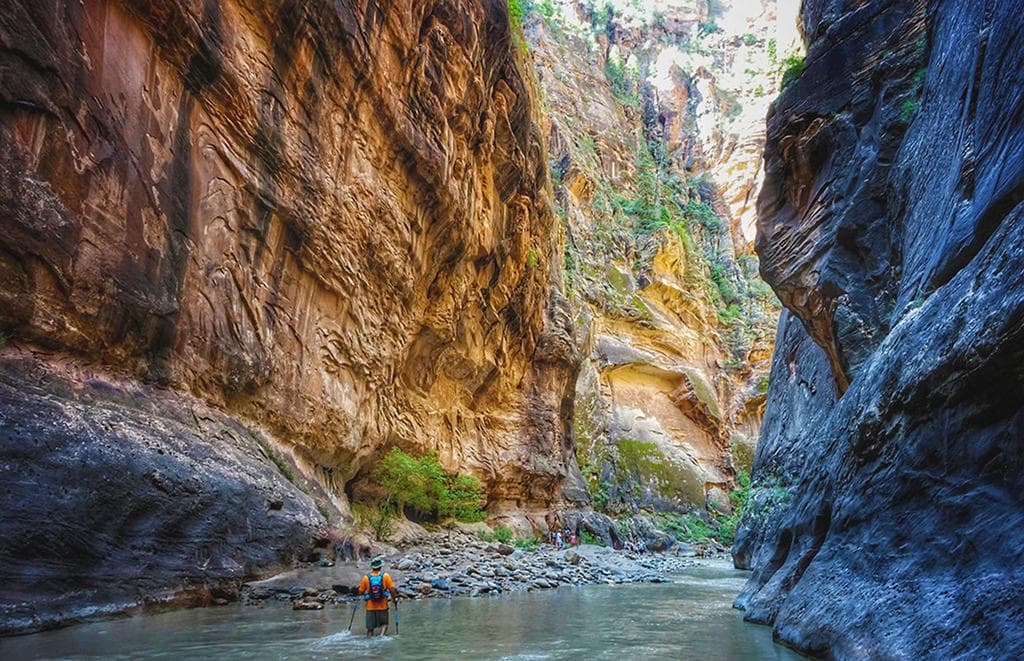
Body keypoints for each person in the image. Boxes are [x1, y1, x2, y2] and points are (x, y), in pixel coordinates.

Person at [358, 556, 396, 636]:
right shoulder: (386, 576)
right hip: (383, 606)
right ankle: (381, 637)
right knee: (384, 624)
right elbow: (392, 589)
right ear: (380, 566)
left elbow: (360, 592)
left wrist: (364, 593)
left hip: (370, 607)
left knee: (370, 629)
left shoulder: (366, 578)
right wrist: (394, 599)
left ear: (372, 567)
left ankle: (369, 641)